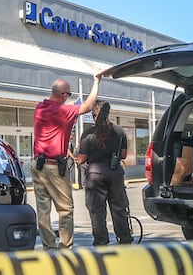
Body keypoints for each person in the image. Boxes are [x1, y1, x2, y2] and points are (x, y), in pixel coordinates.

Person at [32, 72, 102, 250]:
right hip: (54, 168)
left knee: (43, 210)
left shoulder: (40, 108)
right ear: (63, 95)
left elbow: (64, 106)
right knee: (65, 209)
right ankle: (65, 248)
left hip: (38, 166)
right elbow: (88, 105)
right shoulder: (61, 111)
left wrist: (68, 101)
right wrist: (96, 81)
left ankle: (48, 247)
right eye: (68, 94)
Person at [78, 100, 133, 246]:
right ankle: (125, 239)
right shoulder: (119, 131)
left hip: (95, 175)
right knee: (119, 209)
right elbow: (123, 154)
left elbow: (82, 159)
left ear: (92, 114)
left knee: (97, 211)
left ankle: (101, 241)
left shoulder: (88, 133)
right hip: (115, 173)